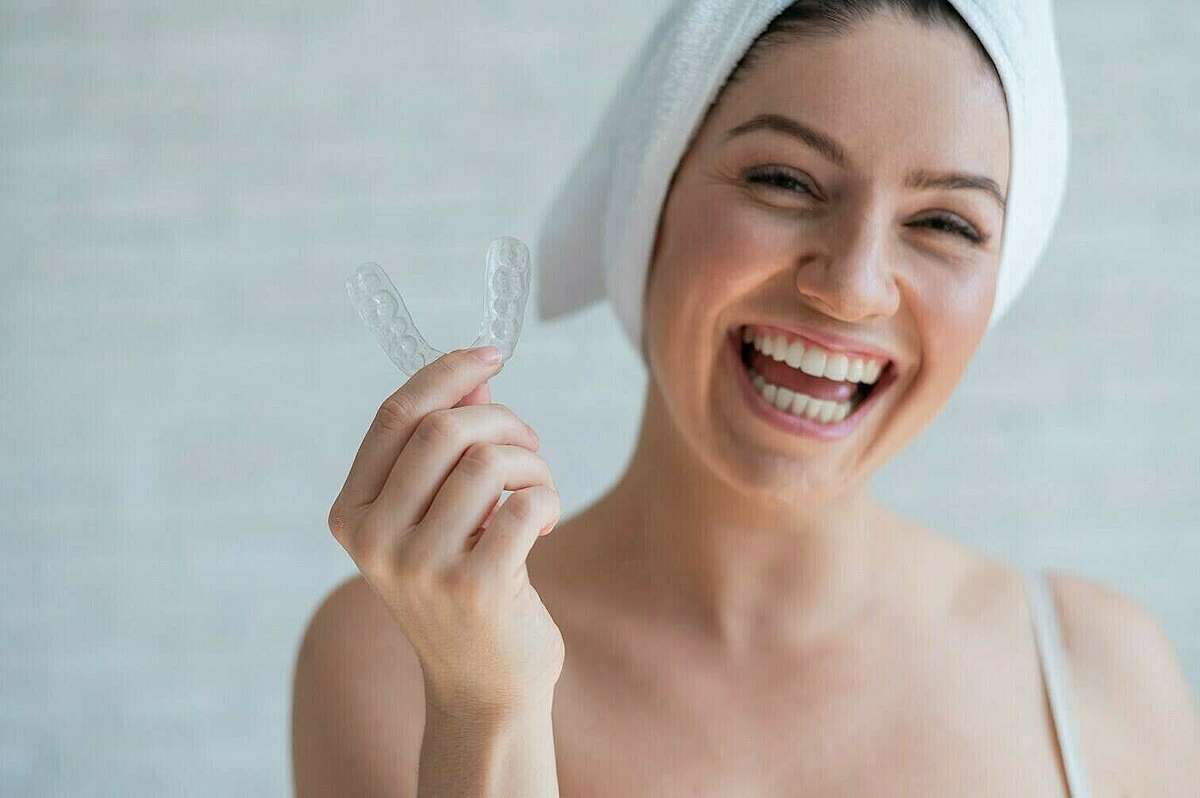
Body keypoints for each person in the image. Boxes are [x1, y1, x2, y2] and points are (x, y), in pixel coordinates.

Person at [291, 2, 1200, 795]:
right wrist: (486, 706)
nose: (851, 287)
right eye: (784, 180)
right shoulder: (392, 657)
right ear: (652, 196)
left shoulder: (1102, 675)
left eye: (944, 223)